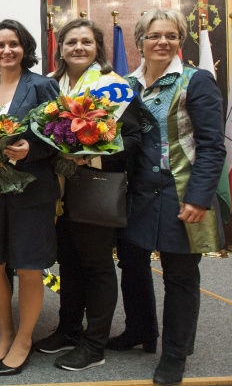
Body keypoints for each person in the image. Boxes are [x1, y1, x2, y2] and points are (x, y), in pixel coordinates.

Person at [108, 9, 225, 386]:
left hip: (181, 191)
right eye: (155, 35)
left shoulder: (197, 81)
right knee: (132, 263)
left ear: (180, 41)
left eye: (171, 35)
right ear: (140, 40)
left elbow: (211, 146)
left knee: (180, 276)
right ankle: (140, 330)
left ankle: (175, 355)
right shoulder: (124, 85)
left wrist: (199, 197)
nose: (163, 41)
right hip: (136, 191)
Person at [34, 19, 142, 370]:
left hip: (95, 185)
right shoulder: (51, 84)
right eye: (71, 42)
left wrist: (89, 151)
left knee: (96, 265)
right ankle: (68, 328)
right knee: (68, 261)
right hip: (57, 189)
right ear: (60, 48)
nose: (78, 48)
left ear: (98, 48)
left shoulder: (115, 86)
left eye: (86, 42)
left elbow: (135, 139)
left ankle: (94, 345)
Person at [0, 20, 60, 376]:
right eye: (0, 45)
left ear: (25, 48)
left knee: (28, 266)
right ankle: (5, 334)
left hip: (31, 190)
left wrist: (31, 149)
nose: (6, 50)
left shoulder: (42, 86)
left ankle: (24, 339)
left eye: (13, 44)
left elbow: (60, 135)